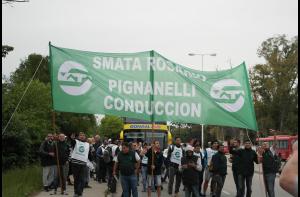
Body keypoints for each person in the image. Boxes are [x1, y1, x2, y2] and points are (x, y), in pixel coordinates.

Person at [70, 132, 93, 197]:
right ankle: (76, 192)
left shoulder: (87, 145)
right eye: (80, 135)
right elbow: (72, 142)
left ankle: (80, 191)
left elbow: (89, 155)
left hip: (83, 164)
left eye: (83, 135)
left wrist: (92, 159)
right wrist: (72, 138)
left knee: (83, 179)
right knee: (76, 179)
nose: (82, 136)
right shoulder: (76, 142)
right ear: (78, 137)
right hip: (75, 163)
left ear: (85, 137)